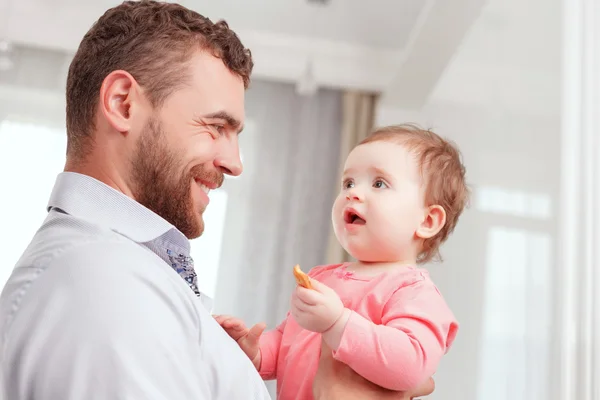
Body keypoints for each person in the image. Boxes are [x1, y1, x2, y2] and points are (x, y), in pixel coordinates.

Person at [0, 1, 437, 399]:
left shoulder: (121, 273)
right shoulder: (102, 284)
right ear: (123, 104)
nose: (234, 163)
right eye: (216, 127)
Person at [216, 124, 469, 400]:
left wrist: (338, 324)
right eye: (348, 182)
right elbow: (290, 342)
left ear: (427, 221)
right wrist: (256, 352)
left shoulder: (415, 292)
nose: (353, 193)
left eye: (379, 183)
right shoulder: (322, 277)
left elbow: (410, 366)